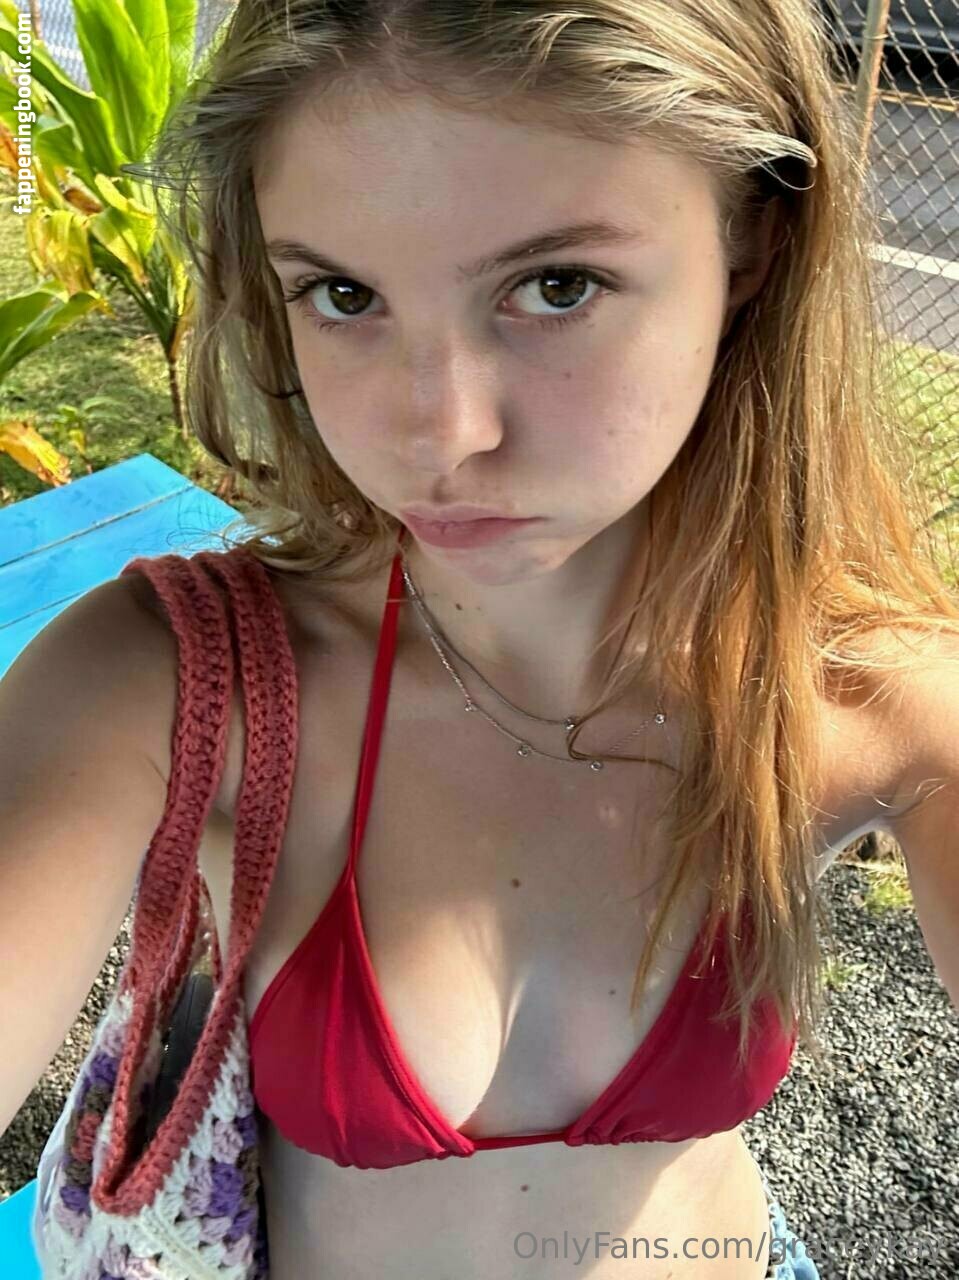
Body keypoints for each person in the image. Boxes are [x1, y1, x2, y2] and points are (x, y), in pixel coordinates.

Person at [5, 2, 959, 1278]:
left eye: (555, 286)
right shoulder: (169, 683)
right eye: (343, 294)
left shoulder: (863, 696)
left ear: (750, 242)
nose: (440, 435)